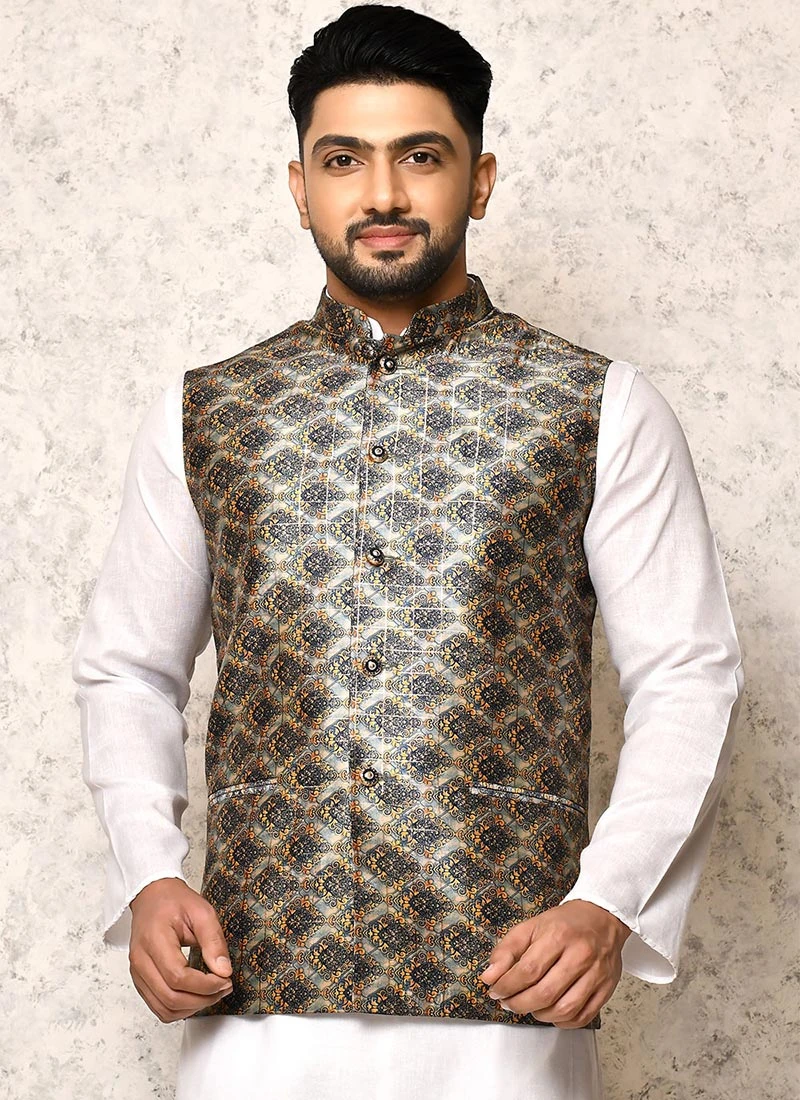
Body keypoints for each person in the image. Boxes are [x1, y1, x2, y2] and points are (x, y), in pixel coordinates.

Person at [71, 5, 745, 1098]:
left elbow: (688, 673)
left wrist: (608, 900)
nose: (381, 194)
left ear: (478, 180)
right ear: (301, 187)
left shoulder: (596, 406)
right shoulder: (210, 413)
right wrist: (148, 874)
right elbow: (128, 667)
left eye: (420, 157)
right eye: (344, 160)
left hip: (505, 1000)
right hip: (255, 999)